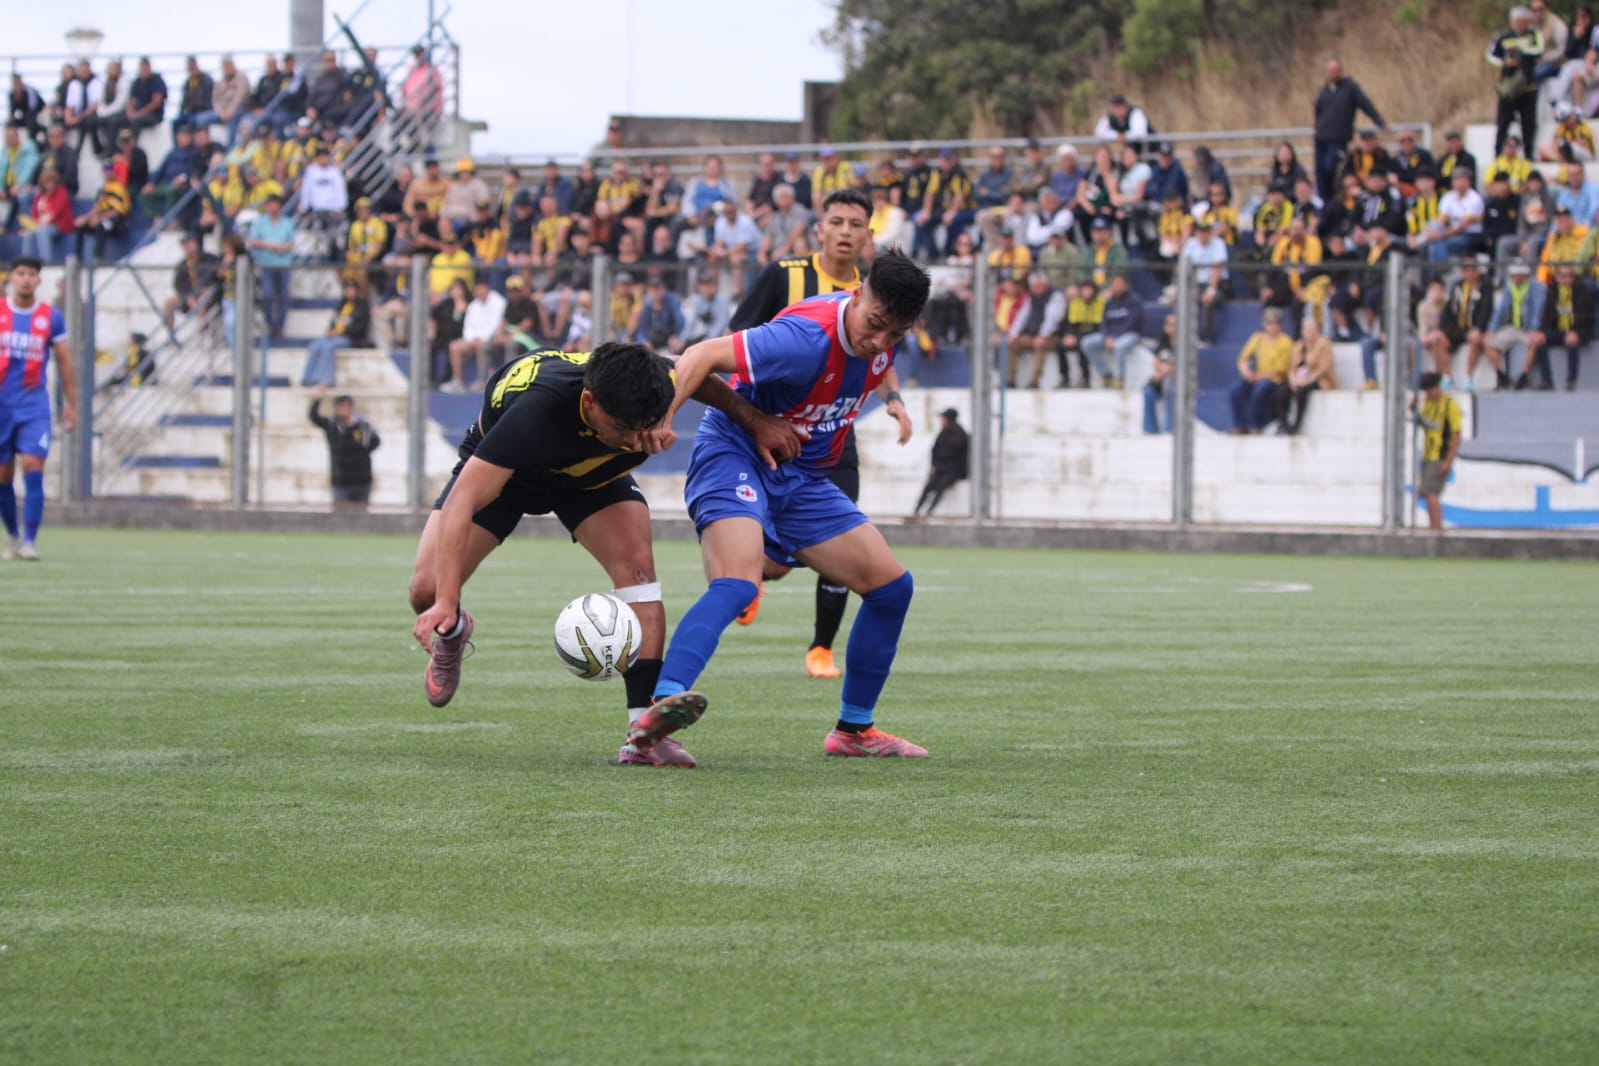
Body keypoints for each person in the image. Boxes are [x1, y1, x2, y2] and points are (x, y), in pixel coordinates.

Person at [407, 343, 803, 768]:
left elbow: (698, 375)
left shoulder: (653, 386)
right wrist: (448, 601)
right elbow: (460, 505)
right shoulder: (536, 413)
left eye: (644, 426)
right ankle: (453, 633)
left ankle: (644, 737)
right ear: (590, 402)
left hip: (589, 478)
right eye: (625, 429)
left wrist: (754, 420)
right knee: (427, 591)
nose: (636, 440)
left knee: (639, 572)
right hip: (512, 475)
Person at [625, 250, 931, 761]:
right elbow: (697, 357)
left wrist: (893, 397)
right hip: (735, 453)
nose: (879, 341)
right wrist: (662, 417)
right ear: (857, 295)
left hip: (803, 478)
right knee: (738, 582)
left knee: (891, 587)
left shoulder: (881, 340)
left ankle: (853, 732)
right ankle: (657, 711)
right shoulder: (803, 338)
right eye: (875, 324)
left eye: (894, 335)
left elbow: (873, 365)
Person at [723, 188, 888, 680]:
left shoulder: (875, 289)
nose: (844, 231)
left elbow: (882, 350)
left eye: (854, 224)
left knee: (845, 537)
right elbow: (737, 338)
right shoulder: (785, 275)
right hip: (772, 433)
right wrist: (752, 417)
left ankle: (821, 648)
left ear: (867, 234)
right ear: (819, 229)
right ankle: (751, 577)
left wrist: (894, 400)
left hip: (835, 434)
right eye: (835, 221)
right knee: (775, 562)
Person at [0, 257, 77, 561]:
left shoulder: (50, 317)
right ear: (11, 278)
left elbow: (65, 361)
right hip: (2, 406)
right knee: (3, 477)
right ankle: (14, 536)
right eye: (21, 274)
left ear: (39, 280)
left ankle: (30, 540)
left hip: (33, 406)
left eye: (32, 274)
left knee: (33, 468)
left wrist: (71, 404)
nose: (26, 279)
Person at [1313, 56, 1386, 201]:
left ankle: (1334, 200)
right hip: (1321, 139)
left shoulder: (1350, 88)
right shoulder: (1324, 90)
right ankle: (1325, 205)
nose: (1333, 73)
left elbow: (1365, 104)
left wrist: (1379, 121)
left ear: (1341, 71)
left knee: (1332, 168)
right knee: (1320, 173)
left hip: (1338, 139)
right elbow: (1318, 111)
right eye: (1330, 70)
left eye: (1336, 70)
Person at [1522, 261, 1594, 389]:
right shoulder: (1553, 290)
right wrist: (1542, 332)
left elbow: (1584, 315)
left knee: (1572, 341)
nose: (1567, 279)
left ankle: (1571, 381)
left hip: (1580, 330)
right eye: (1563, 276)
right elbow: (1547, 314)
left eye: (1570, 276)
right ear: (1557, 277)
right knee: (1540, 342)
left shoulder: (1581, 289)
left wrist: (1575, 331)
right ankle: (1547, 381)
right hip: (1559, 330)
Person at [309, 387, 380, 511]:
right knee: (340, 517)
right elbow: (314, 417)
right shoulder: (332, 425)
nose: (342, 410)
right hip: (340, 480)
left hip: (361, 480)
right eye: (339, 407)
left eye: (345, 406)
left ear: (350, 408)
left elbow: (375, 442)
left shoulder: (363, 426)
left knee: (360, 517)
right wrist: (318, 399)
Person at [1412, 372, 1462, 533]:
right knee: (1427, 493)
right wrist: (1413, 409)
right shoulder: (1428, 403)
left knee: (1431, 492)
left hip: (1440, 455)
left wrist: (1448, 460)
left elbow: (1456, 435)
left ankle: (1437, 528)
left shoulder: (1449, 405)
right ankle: (1433, 526)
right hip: (1427, 454)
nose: (1428, 394)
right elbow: (1424, 424)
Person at [1229, 308, 1294, 433]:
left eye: (1273, 323)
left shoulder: (1285, 342)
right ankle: (1239, 425)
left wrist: (1258, 377)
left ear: (1279, 325)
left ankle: (1255, 425)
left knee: (1260, 390)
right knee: (1236, 390)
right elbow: (1243, 358)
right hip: (1255, 376)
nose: (1270, 326)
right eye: (1268, 323)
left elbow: (1280, 370)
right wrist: (1246, 371)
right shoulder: (1257, 338)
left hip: (1273, 379)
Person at [301, 279, 371, 388]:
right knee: (315, 345)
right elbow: (333, 322)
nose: (349, 292)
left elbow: (360, 327)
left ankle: (325, 380)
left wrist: (342, 331)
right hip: (334, 336)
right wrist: (331, 331)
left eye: (352, 290)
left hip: (350, 338)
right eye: (347, 290)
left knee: (328, 347)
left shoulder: (362, 306)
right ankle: (308, 378)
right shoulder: (341, 305)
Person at [1276, 315, 1338, 435]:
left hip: (1318, 379)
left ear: (1317, 330)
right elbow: (1292, 367)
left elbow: (1324, 367)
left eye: (1311, 330)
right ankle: (1283, 423)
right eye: (1306, 330)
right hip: (1299, 379)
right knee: (1281, 391)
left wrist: (1308, 380)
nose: (1308, 333)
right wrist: (1293, 379)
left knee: (1302, 392)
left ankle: (1297, 424)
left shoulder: (1324, 344)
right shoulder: (1299, 345)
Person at [249, 193, 296, 336]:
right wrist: (273, 246)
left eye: (275, 204)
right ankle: (270, 322)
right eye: (270, 204)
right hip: (267, 264)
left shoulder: (287, 222)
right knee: (268, 294)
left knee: (283, 296)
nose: (272, 207)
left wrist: (278, 247)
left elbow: (291, 243)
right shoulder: (259, 222)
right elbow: (253, 241)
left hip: (283, 264)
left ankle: (279, 325)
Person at [912, 408, 969, 517]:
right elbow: (935, 450)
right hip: (941, 468)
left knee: (939, 487)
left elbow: (955, 454)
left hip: (952, 470)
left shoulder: (958, 433)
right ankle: (917, 512)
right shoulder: (944, 432)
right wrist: (934, 465)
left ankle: (928, 513)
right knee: (928, 487)